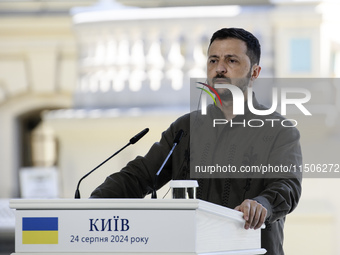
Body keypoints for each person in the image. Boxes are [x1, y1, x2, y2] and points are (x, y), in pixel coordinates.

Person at [91, 28, 302, 255]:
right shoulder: (186, 128)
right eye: (213, 60)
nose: (220, 68)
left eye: (231, 60)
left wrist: (261, 205)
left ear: (255, 72)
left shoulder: (279, 130)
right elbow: (140, 175)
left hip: (249, 249)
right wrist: (90, 205)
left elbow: (286, 187)